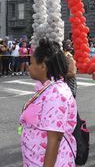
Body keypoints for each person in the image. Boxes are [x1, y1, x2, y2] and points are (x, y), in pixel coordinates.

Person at [20, 38, 77, 166]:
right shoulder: (47, 88)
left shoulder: (56, 95)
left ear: (43, 66)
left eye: (31, 63)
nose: (29, 67)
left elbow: (55, 139)